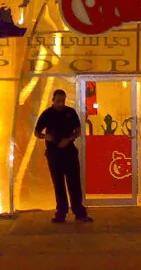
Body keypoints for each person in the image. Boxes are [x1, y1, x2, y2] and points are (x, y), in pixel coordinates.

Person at [34, 89, 92, 223]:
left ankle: (79, 212)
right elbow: (37, 131)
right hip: (54, 153)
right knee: (58, 184)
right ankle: (61, 212)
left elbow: (78, 130)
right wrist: (45, 136)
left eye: (63, 101)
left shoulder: (70, 112)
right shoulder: (47, 114)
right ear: (53, 100)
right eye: (58, 101)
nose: (61, 104)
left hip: (69, 152)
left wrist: (69, 139)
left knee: (74, 183)